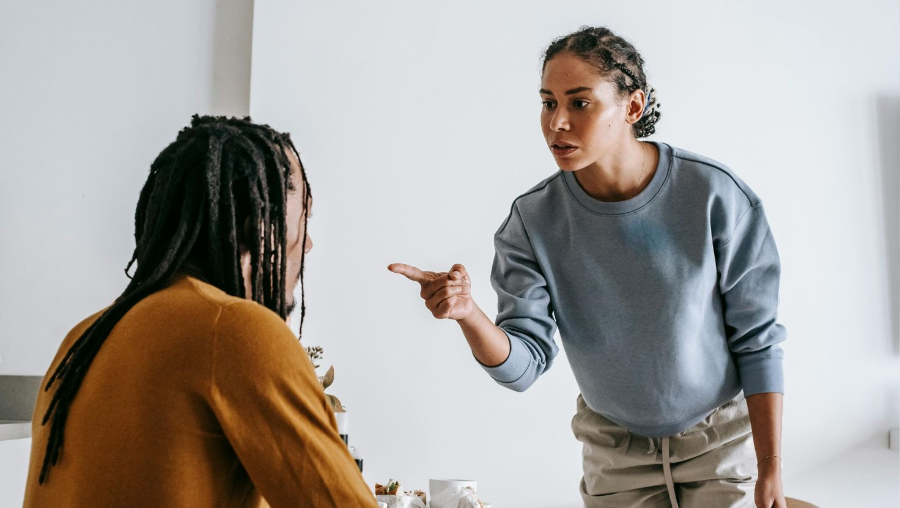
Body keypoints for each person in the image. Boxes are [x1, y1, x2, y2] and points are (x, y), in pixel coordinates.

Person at [390, 26, 787, 508]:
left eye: (579, 103)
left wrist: (770, 471)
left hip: (722, 449)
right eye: (547, 102)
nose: (556, 122)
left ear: (632, 107)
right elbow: (523, 368)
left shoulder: (715, 197)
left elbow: (758, 341)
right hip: (615, 459)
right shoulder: (531, 223)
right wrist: (469, 313)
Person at [24, 115, 377, 507]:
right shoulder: (237, 331)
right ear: (259, 227)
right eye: (303, 218)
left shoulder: (83, 338)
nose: (307, 244)